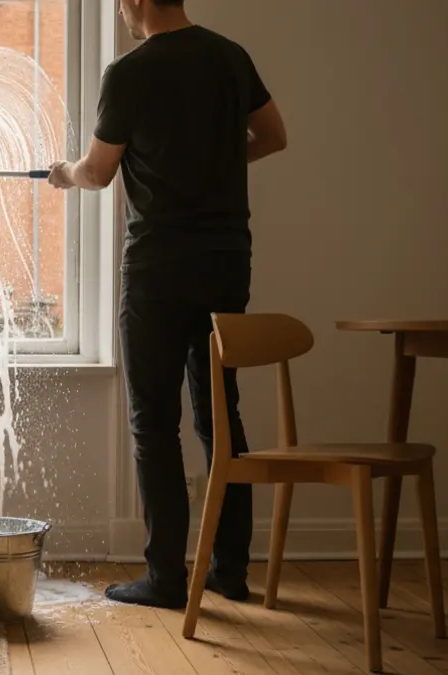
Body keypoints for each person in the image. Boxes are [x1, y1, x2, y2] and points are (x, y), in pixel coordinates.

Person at [47, 0, 287, 608]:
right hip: (228, 260)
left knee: (154, 422)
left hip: (159, 266)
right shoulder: (231, 57)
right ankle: (230, 571)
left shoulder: (130, 72)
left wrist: (64, 173)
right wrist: (219, 160)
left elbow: (99, 173)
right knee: (220, 416)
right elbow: (275, 136)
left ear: (137, 1)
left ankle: (165, 579)